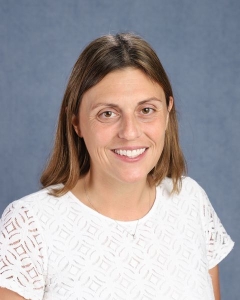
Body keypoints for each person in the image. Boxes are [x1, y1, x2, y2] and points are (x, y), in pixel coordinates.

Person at [0, 33, 234, 300]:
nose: (130, 132)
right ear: (76, 121)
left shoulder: (192, 201)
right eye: (107, 113)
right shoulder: (29, 225)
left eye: (146, 110)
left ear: (168, 111)